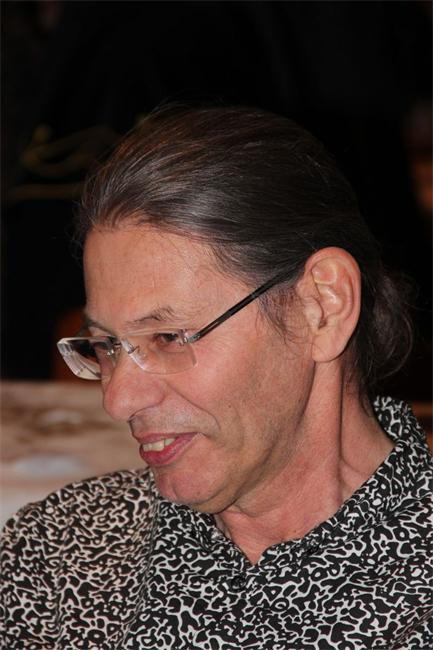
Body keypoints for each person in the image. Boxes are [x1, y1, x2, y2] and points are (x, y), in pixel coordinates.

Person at [1, 105, 431, 650]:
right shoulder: (64, 551)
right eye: (107, 346)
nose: (118, 399)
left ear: (322, 306)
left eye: (168, 337)